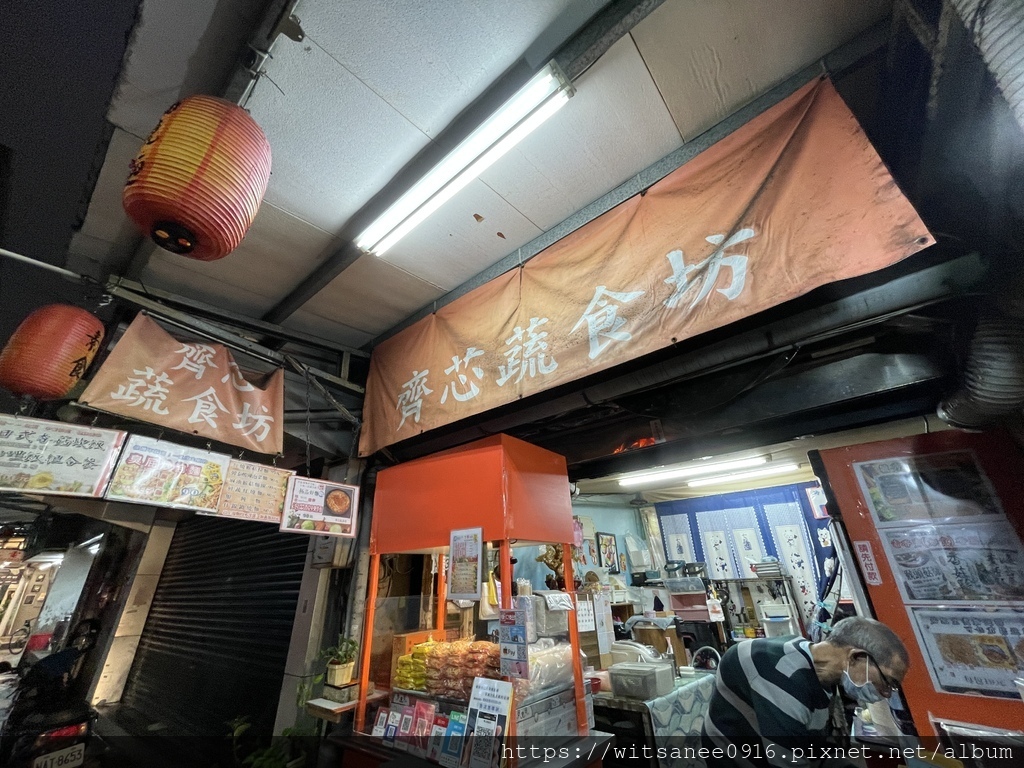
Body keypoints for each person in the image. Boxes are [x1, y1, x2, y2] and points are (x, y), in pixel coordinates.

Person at [701, 616, 909, 768]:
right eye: (887, 681)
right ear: (856, 657)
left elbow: (822, 751)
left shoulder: (827, 675)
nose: (887, 693)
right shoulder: (782, 674)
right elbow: (787, 762)